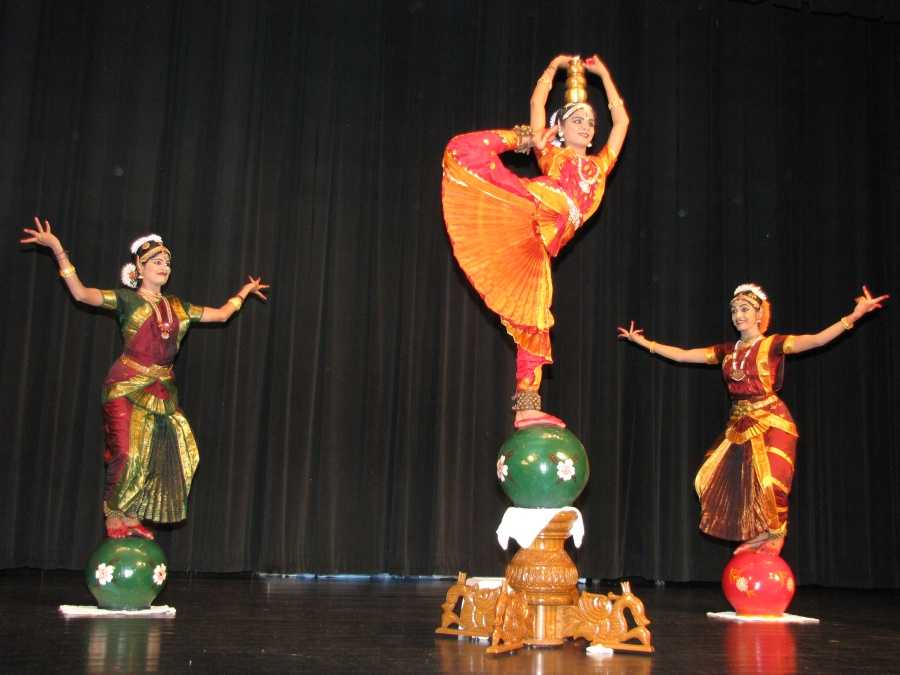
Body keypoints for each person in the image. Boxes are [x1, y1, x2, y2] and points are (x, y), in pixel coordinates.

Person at [20, 218, 269, 540]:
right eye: (157, 262)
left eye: (167, 262)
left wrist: (244, 292)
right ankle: (114, 512)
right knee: (127, 453)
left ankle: (133, 514)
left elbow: (221, 315)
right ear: (139, 267)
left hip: (161, 390)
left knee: (161, 454)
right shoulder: (126, 300)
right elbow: (81, 295)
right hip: (124, 385)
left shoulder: (178, 306)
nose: (164, 267)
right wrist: (57, 249)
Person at [617, 283, 888, 554]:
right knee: (710, 478)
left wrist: (855, 316)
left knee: (771, 480)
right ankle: (760, 532)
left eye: (745, 309)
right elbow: (683, 355)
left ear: (760, 314)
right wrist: (643, 342)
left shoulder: (774, 345)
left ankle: (776, 532)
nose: (738, 315)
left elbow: (817, 340)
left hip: (773, 420)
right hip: (740, 425)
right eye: (734, 310)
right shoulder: (726, 351)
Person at [442, 54, 629, 429]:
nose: (587, 127)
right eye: (578, 120)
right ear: (562, 127)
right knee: (462, 151)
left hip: (538, 246)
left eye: (591, 123)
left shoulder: (601, 165)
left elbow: (622, 122)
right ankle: (519, 138)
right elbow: (536, 103)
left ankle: (526, 407)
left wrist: (605, 76)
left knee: (535, 322)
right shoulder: (552, 154)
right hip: (528, 207)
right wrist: (551, 70)